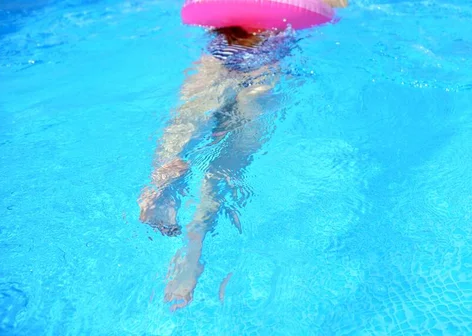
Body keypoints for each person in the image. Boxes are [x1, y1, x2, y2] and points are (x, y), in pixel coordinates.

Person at [138, 0, 348, 311]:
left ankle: (160, 184)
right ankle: (192, 252)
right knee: (225, 168)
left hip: (219, 52)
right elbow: (333, 8)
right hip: (269, 66)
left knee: (184, 123)